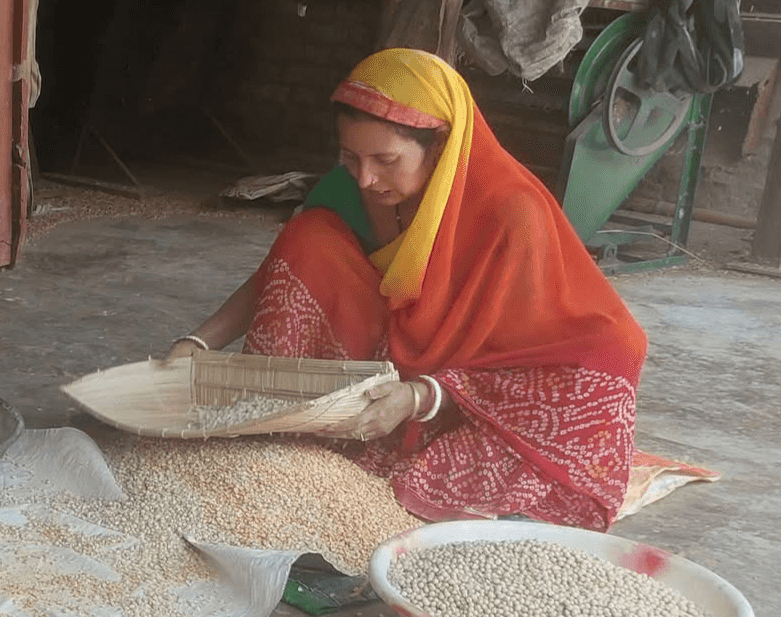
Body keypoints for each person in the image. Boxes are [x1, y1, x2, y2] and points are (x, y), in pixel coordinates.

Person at [168, 48, 648, 531]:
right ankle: (292, 417)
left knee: (596, 377)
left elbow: (521, 349)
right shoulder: (351, 186)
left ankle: (409, 435)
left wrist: (420, 397)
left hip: (471, 391)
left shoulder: (509, 212)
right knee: (309, 237)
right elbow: (278, 274)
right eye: (350, 157)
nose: (366, 177)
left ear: (440, 146)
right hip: (389, 358)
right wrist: (199, 342)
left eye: (387, 160)